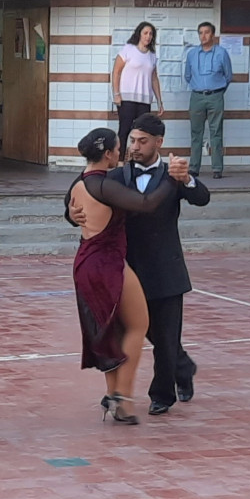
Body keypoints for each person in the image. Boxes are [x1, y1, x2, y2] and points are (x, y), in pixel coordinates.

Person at [63, 128, 184, 424]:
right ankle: (123, 399)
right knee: (138, 325)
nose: (123, 152)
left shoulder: (80, 181)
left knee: (110, 330)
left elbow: (71, 204)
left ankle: (115, 394)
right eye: (119, 148)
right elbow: (146, 204)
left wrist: (69, 212)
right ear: (107, 155)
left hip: (86, 262)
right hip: (106, 263)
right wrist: (172, 179)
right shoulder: (104, 185)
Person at [105, 113, 209, 415]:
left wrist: (187, 178)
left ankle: (162, 394)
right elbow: (88, 194)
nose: (134, 147)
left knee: (165, 338)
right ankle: (182, 367)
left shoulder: (172, 174)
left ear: (158, 143)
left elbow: (201, 198)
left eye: (142, 141)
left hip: (166, 269)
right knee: (132, 332)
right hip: (128, 269)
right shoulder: (116, 176)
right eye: (132, 141)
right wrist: (75, 211)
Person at [183, 21, 233, 179]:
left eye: (206, 32)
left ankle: (217, 168)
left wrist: (218, 91)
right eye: (200, 33)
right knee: (196, 133)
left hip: (215, 96)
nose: (203, 36)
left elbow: (228, 76)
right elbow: (188, 75)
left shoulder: (221, 53)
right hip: (197, 96)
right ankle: (194, 168)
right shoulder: (191, 53)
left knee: (216, 133)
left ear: (213, 35)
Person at [112, 21, 164, 142]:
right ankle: (120, 161)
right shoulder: (128, 50)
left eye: (151, 34)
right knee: (124, 131)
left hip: (144, 100)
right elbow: (116, 72)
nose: (148, 36)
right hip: (127, 99)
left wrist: (159, 101)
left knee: (143, 133)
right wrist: (116, 94)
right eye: (145, 33)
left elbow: (154, 78)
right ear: (139, 34)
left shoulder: (152, 55)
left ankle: (139, 160)